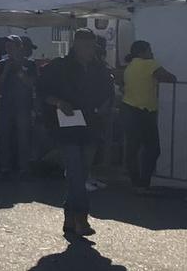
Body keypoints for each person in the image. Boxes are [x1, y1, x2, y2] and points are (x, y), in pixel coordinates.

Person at [37, 27, 114, 239]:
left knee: (81, 173)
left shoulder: (99, 68)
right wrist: (59, 102)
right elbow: (42, 91)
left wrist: (106, 106)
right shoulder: (60, 66)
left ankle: (69, 215)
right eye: (84, 45)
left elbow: (108, 92)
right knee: (75, 171)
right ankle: (81, 217)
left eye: (91, 46)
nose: (88, 50)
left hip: (91, 126)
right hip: (67, 126)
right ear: (76, 45)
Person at [121, 40, 177, 192]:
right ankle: (143, 182)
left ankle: (135, 182)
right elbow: (170, 78)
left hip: (128, 108)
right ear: (142, 52)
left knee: (132, 149)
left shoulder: (130, 66)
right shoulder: (149, 64)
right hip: (145, 111)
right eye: (149, 50)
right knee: (153, 148)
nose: (151, 53)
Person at [0, 35, 38, 177]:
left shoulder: (30, 64)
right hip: (6, 104)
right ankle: (5, 166)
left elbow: (32, 84)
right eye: (7, 47)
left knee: (23, 137)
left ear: (20, 47)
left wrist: (19, 71)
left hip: (23, 105)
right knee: (4, 136)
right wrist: (6, 70)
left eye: (12, 46)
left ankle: (24, 167)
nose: (9, 50)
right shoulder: (1, 64)